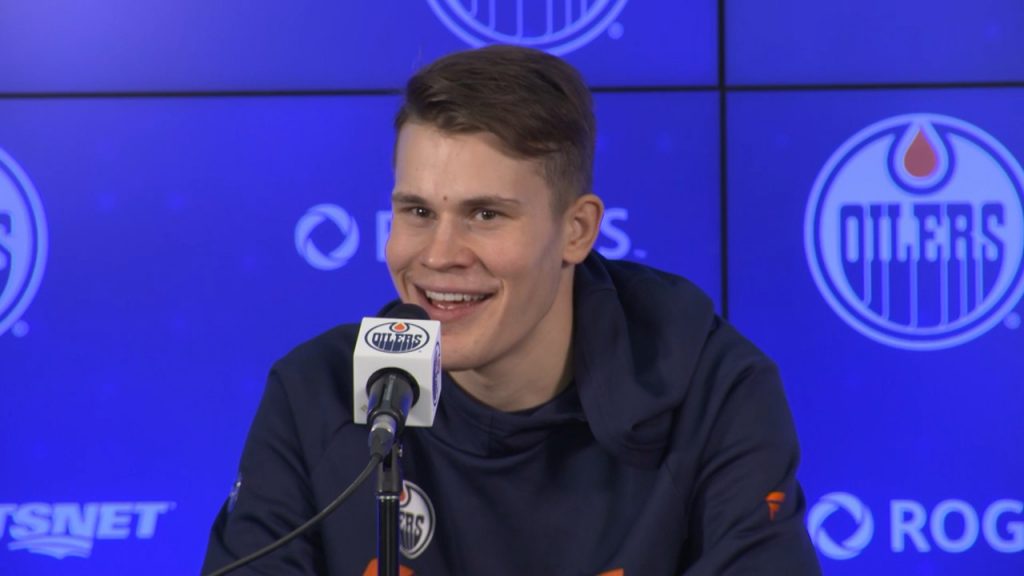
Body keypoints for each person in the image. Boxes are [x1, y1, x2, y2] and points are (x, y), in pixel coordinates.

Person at [203, 45, 821, 575]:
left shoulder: (713, 392)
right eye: (418, 212)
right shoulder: (315, 394)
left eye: (485, 214)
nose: (439, 255)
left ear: (577, 231)